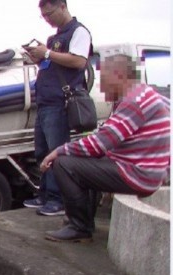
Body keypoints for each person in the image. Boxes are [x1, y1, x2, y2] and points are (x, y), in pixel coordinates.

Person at [40, 54, 170, 242]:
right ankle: (80, 221)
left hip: (138, 174)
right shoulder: (147, 95)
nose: (102, 86)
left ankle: (79, 227)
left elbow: (100, 144)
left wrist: (57, 151)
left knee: (63, 164)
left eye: (105, 79)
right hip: (146, 171)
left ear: (120, 76)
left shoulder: (134, 101)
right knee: (85, 161)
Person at [22, 0, 92, 216]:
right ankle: (44, 195)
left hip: (60, 102)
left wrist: (48, 54)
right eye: (43, 16)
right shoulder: (54, 38)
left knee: (56, 153)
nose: (47, 19)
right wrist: (38, 58)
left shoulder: (79, 32)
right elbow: (52, 65)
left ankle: (57, 199)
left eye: (49, 13)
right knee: (42, 151)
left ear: (62, 6)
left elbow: (79, 62)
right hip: (45, 101)